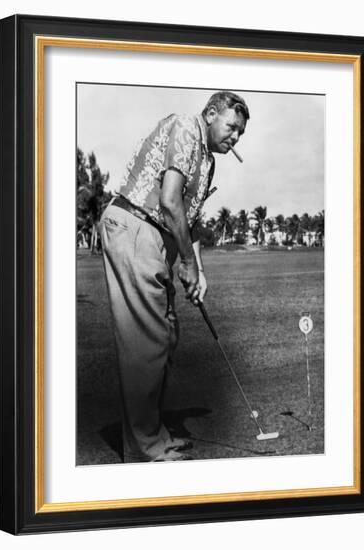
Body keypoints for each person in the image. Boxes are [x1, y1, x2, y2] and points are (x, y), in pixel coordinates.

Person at [99, 91, 250, 462]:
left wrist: (198, 272)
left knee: (165, 335)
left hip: (156, 237)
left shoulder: (207, 162)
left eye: (240, 134)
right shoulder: (185, 127)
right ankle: (147, 446)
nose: (234, 137)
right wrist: (187, 263)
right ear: (211, 113)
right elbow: (169, 201)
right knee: (147, 342)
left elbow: (190, 218)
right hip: (134, 226)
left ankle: (151, 435)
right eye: (231, 127)